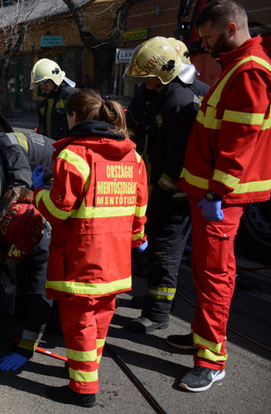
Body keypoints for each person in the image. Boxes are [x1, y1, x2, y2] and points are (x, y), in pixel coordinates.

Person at [173, 0, 271, 392]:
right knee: (204, 272)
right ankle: (201, 337)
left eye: (209, 37)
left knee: (214, 277)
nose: (205, 46)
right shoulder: (236, 66)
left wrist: (217, 190)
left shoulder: (249, 71)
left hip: (220, 198)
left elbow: (240, 142)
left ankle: (211, 361)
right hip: (210, 194)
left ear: (230, 28)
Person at [33, 89, 148, 407]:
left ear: (73, 117)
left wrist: (37, 194)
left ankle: (82, 389)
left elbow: (58, 210)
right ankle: (85, 369)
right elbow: (139, 210)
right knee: (100, 317)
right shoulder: (133, 158)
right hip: (116, 260)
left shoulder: (74, 155)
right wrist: (137, 240)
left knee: (79, 321)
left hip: (82, 258)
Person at [123, 36, 201, 334]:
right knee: (156, 250)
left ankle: (157, 314)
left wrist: (161, 192)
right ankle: (153, 300)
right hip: (162, 190)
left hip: (174, 195)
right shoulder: (166, 95)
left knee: (165, 253)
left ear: (165, 73)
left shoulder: (179, 103)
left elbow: (176, 159)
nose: (147, 85)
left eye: (150, 79)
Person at [0, 131, 55, 372]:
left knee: (52, 316)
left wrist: (26, 346)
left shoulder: (7, 146)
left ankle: (33, 332)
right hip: (37, 185)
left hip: (48, 185)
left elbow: (21, 186)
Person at [30, 58, 78, 141]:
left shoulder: (71, 95)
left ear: (55, 78)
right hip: (52, 149)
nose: (42, 86)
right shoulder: (43, 105)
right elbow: (42, 130)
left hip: (71, 149)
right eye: (40, 84)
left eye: (45, 82)